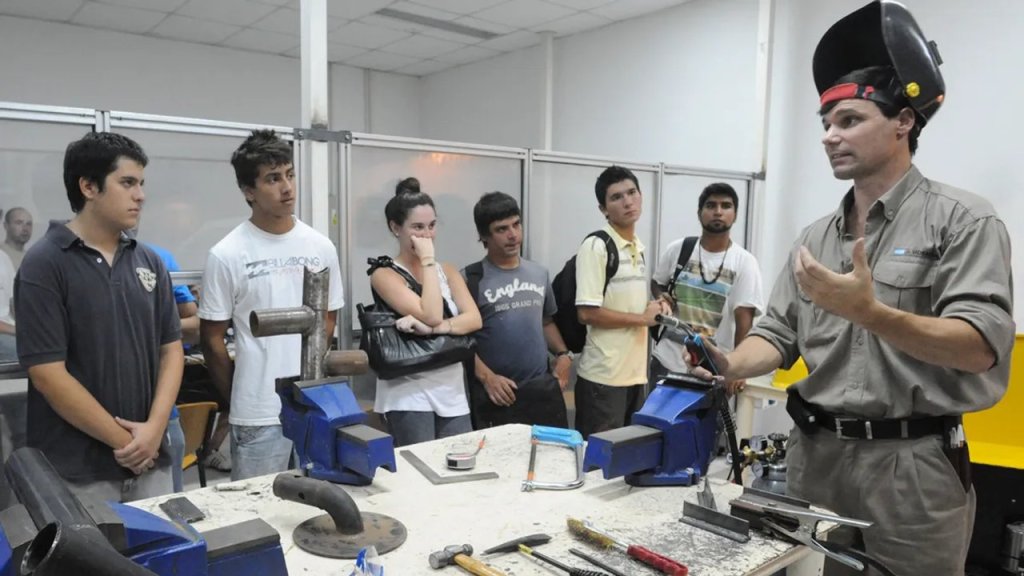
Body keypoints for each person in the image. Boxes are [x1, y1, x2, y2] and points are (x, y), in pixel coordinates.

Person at [695, 3, 1014, 574]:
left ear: (903, 122)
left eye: (848, 120)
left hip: (911, 469)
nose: (829, 136)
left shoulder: (963, 220)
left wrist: (871, 313)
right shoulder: (815, 237)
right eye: (826, 123)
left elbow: (979, 346)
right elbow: (780, 331)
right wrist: (731, 362)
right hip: (816, 458)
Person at [14, 132, 183, 502]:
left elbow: (171, 350)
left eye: (141, 184)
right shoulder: (44, 264)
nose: (140, 195)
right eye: (127, 183)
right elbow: (48, 374)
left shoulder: (149, 261)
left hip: (151, 462)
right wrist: (128, 442)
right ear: (89, 187)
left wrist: (155, 429)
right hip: (79, 473)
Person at [199, 130, 343, 482]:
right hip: (257, 413)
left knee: (318, 502)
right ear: (249, 191)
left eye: (290, 175)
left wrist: (308, 381)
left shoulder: (320, 247)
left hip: (313, 405)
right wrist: (240, 395)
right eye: (273, 179)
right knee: (259, 507)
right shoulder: (227, 254)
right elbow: (212, 340)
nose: (287, 188)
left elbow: (327, 321)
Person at [370, 177, 482, 446]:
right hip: (407, 389)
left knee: (459, 460)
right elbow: (430, 312)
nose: (427, 235)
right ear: (395, 228)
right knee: (416, 464)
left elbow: (474, 319)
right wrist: (427, 259)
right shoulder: (384, 274)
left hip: (451, 386)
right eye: (417, 227)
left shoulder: (449, 271)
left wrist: (438, 328)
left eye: (432, 226)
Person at [574, 166, 670, 438]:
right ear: (603, 209)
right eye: (616, 197)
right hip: (604, 378)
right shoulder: (597, 246)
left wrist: (656, 305)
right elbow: (586, 313)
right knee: (600, 458)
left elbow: (624, 304)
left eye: (632, 192)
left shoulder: (637, 247)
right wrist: (642, 319)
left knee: (629, 454)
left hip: (635, 374)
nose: (628, 201)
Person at [462, 191, 571, 429]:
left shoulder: (539, 273)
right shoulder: (470, 280)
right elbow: (460, 343)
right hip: (496, 393)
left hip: (540, 390)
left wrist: (563, 355)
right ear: (484, 235)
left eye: (516, 224)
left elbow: (545, 321)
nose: (513, 235)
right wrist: (487, 378)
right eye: (501, 229)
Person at [650, 182, 764, 391]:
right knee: (654, 413)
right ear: (699, 213)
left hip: (714, 368)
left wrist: (738, 369)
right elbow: (657, 282)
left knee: (706, 415)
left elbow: (744, 320)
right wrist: (662, 296)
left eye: (726, 206)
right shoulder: (679, 249)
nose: (718, 212)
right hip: (666, 360)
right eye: (711, 206)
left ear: (735, 215)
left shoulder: (745, 262)